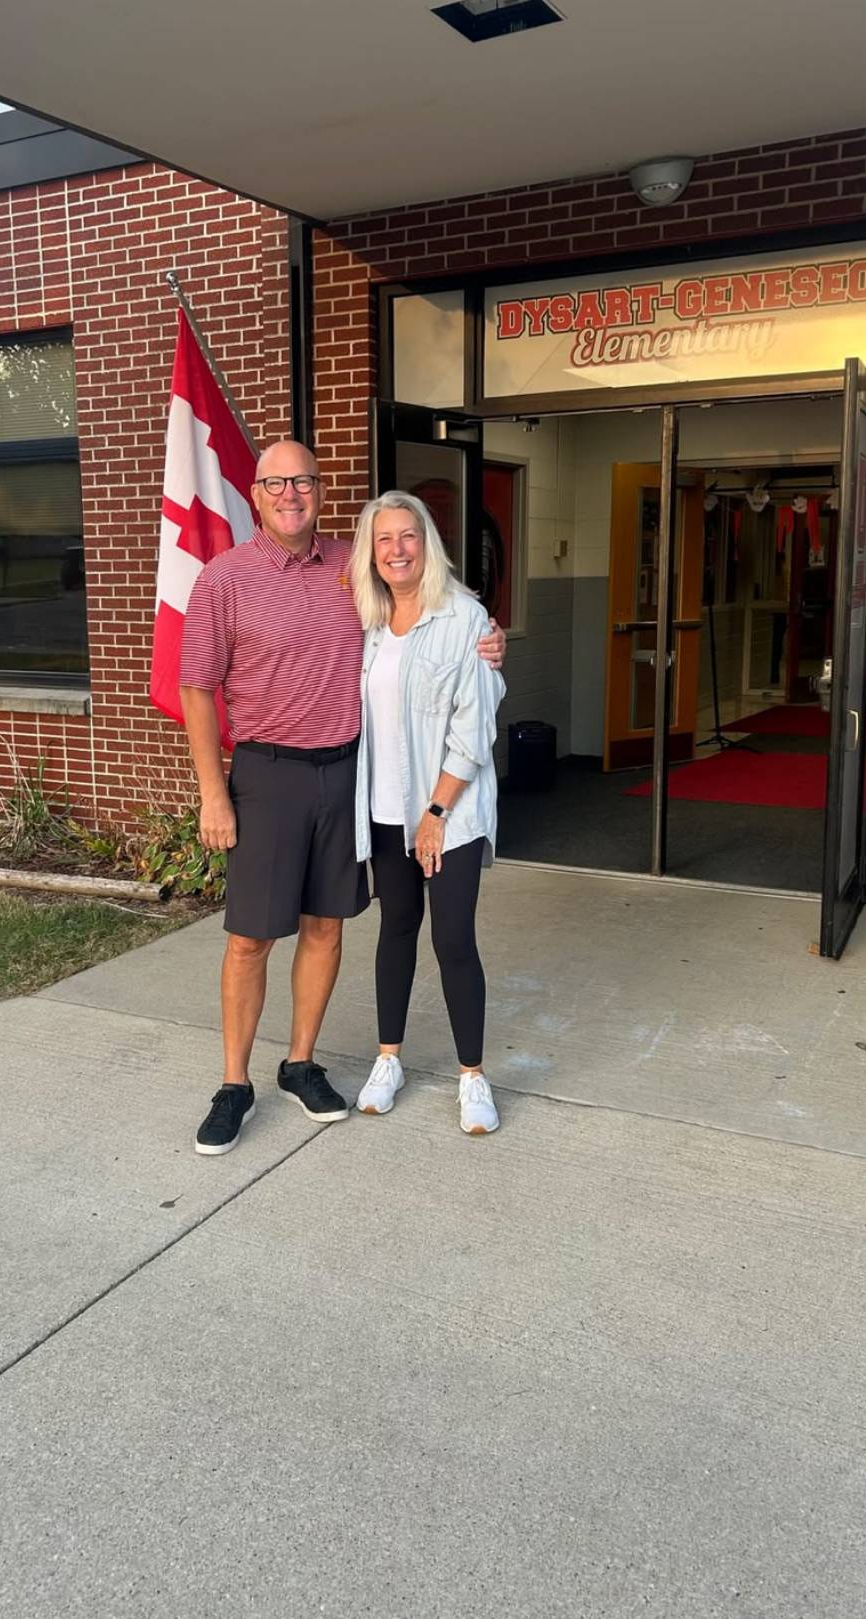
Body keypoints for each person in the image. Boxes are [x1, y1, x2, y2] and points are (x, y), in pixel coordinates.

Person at [178, 441, 504, 1156]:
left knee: (327, 927)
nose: (291, 493)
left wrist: (489, 638)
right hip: (267, 777)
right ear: (256, 493)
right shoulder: (223, 579)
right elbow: (196, 686)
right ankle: (234, 1084)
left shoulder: (350, 571)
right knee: (251, 937)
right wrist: (213, 791)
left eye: (304, 480)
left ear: (320, 490)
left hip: (346, 777)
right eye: (277, 482)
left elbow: (429, 622)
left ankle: (300, 1062)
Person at [349, 491, 505, 1135]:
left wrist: (437, 810)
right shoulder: (366, 622)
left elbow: (475, 725)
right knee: (395, 933)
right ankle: (390, 1060)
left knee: (452, 939)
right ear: (372, 552)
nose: (396, 550)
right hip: (386, 813)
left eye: (407, 536)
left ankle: (473, 1075)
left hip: (450, 813)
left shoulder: (465, 619)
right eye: (383, 539)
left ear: (427, 543)